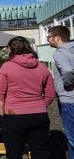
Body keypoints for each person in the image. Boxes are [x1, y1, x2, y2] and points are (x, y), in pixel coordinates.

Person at [0, 36, 56, 159]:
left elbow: (0, 93)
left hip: (13, 115)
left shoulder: (6, 66)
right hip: (39, 115)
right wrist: (39, 106)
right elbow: (50, 94)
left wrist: (2, 111)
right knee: (40, 153)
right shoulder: (42, 67)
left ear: (10, 49)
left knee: (14, 153)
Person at [47, 25, 74, 159]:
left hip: (68, 99)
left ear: (57, 38)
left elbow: (68, 71)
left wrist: (68, 85)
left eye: (49, 37)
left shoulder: (59, 53)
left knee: (71, 136)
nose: (48, 40)